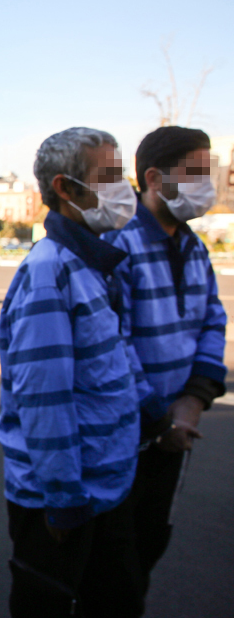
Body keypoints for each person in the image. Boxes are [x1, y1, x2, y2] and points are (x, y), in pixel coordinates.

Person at [0, 127, 167, 618]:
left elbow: (117, 351)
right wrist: (64, 498)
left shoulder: (91, 263)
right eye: (108, 176)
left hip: (105, 488)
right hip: (66, 499)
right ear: (65, 189)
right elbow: (44, 398)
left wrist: (153, 412)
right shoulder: (50, 271)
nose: (124, 189)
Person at [101, 126, 226, 615]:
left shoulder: (194, 247)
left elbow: (213, 320)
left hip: (176, 432)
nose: (207, 185)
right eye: (196, 173)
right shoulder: (118, 242)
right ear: (154, 178)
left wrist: (193, 400)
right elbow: (113, 341)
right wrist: (159, 418)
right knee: (113, 562)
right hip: (127, 437)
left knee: (152, 541)